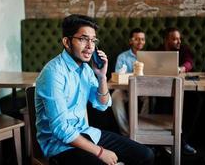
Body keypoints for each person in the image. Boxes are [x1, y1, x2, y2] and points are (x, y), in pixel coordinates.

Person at [35, 14, 154, 165]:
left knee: (146, 155)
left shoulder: (86, 69)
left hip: (86, 133)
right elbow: (61, 129)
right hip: (59, 145)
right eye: (83, 39)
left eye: (93, 40)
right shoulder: (53, 73)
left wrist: (102, 76)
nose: (90, 46)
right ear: (66, 42)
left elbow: (102, 104)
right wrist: (100, 152)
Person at [158, 27, 197, 155]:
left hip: (182, 86)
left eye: (179, 38)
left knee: (196, 99)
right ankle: (162, 142)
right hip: (162, 86)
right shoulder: (158, 50)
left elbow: (189, 63)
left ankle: (182, 140)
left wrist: (181, 68)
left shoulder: (184, 49)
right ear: (167, 40)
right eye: (174, 39)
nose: (178, 41)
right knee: (162, 99)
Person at [111, 28, 146, 135]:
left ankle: (141, 129)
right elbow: (118, 77)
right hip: (125, 90)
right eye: (137, 39)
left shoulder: (149, 57)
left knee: (150, 97)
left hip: (143, 90)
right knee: (115, 96)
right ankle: (126, 133)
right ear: (131, 41)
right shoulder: (122, 57)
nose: (140, 42)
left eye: (142, 39)